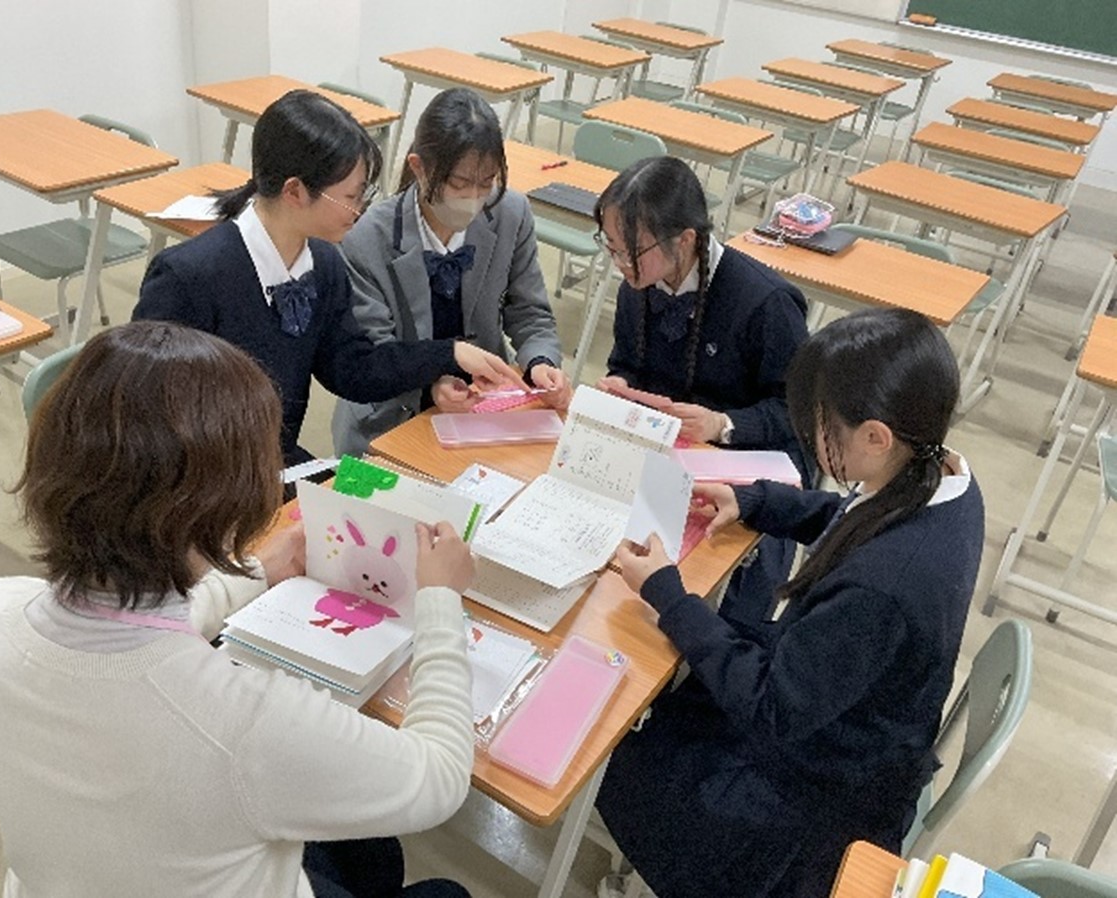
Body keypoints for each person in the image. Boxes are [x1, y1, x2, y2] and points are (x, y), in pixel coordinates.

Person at [0, 321, 476, 898]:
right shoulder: (248, 720)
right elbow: (440, 776)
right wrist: (439, 601)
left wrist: (254, 572)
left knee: (368, 854)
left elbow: (128, 629)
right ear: (228, 514)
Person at [597, 308, 985, 898]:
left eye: (823, 427)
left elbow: (770, 707)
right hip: (850, 722)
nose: (813, 438)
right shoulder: (942, 472)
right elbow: (855, 517)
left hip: (815, 801)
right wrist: (755, 502)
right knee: (684, 678)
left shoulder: (882, 589)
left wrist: (667, 594)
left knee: (616, 753)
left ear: (875, 436)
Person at [132, 89, 521, 467]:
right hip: (205, 481)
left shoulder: (323, 263)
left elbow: (353, 371)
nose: (360, 209)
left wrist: (448, 354)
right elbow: (150, 427)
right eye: (352, 197)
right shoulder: (187, 277)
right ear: (295, 192)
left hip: (273, 465)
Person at [593, 155, 811, 626]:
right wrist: (620, 387)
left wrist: (724, 424)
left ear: (686, 239)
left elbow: (804, 415)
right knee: (613, 585)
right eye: (611, 248)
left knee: (728, 613)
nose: (621, 264)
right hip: (670, 457)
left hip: (753, 469)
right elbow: (626, 361)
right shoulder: (639, 281)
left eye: (631, 251)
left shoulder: (765, 302)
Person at [333, 88, 568, 457]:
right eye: (458, 183)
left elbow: (530, 313)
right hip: (391, 417)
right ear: (419, 168)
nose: (473, 198)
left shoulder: (511, 213)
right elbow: (375, 357)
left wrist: (540, 362)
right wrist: (429, 386)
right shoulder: (367, 239)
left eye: (486, 182)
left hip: (483, 410)